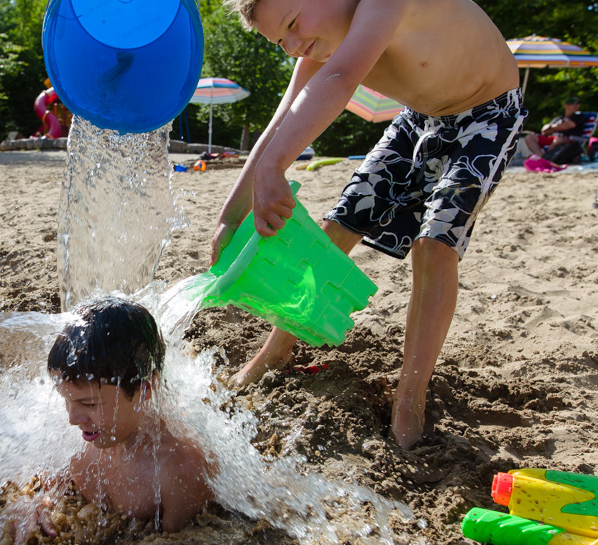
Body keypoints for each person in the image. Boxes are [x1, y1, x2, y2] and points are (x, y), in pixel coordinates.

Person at [211, 0, 526, 449]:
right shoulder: (316, 45)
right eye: (282, 42)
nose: (296, 46)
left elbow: (341, 80)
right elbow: (283, 117)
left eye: (294, 25)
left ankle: (409, 399)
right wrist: (229, 214)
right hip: (419, 120)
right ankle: (275, 350)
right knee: (339, 224)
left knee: (435, 243)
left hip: (488, 115)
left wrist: (274, 168)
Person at [31, 298, 212, 536]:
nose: (72, 419)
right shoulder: (81, 437)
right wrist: (37, 505)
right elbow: (43, 485)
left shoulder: (178, 471)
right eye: (67, 400)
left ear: (145, 390)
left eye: (88, 403)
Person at [522, 96, 589, 159]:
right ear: (566, 105)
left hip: (568, 140)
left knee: (558, 140)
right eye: (574, 104)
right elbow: (544, 131)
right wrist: (551, 127)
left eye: (578, 104)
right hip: (553, 139)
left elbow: (565, 126)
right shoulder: (559, 118)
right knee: (529, 137)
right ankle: (542, 156)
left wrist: (551, 127)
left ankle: (546, 157)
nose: (576, 106)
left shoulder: (578, 116)